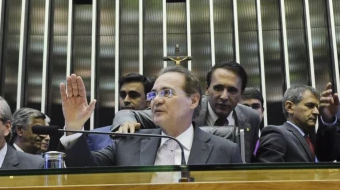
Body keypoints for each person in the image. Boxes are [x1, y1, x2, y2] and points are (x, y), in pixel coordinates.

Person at [60, 67, 243, 167]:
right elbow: (84, 169)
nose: (156, 100)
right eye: (153, 94)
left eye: (167, 93)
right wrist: (74, 126)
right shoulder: (128, 144)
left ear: (193, 100)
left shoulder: (225, 150)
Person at [110, 62, 261, 161]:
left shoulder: (251, 117)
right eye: (218, 88)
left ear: (241, 95)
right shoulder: (184, 107)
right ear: (207, 89)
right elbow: (128, 113)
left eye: (232, 90)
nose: (224, 96)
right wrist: (124, 124)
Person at [255, 84, 340, 163]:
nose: (317, 112)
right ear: (289, 107)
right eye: (310, 105)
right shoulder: (276, 134)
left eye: (317, 107)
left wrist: (328, 118)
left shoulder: (312, 138)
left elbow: (329, 157)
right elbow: (269, 175)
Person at [88, 72, 153, 151]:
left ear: (148, 101)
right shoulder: (96, 136)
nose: (126, 100)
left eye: (133, 95)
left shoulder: (160, 133)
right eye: (123, 95)